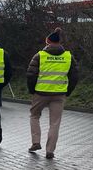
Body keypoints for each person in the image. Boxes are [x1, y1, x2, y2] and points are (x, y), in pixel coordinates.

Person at [26, 28, 79, 159]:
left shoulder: (39, 55)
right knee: (55, 123)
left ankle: (36, 142)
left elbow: (31, 74)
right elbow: (74, 76)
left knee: (34, 115)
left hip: (41, 93)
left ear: (48, 43)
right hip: (59, 94)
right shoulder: (68, 56)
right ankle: (50, 150)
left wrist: (32, 90)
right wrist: (68, 91)